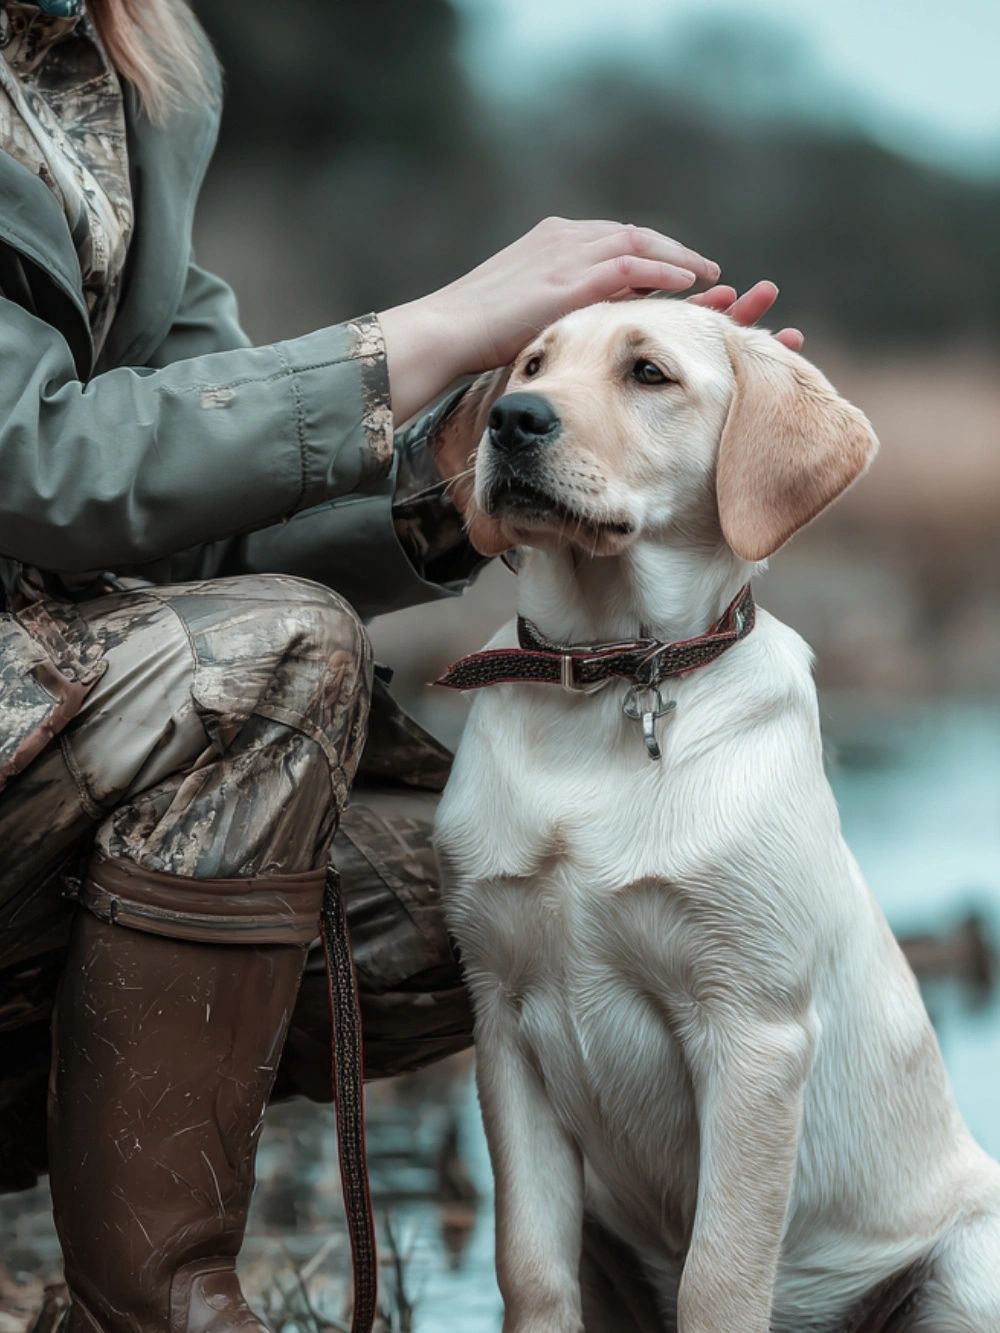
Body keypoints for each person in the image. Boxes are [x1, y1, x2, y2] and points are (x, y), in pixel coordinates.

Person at [0, 2, 804, 1329]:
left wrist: (469, 467)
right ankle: (162, 1310)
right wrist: (426, 330)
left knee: (482, 879)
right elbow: (36, 467)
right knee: (274, 659)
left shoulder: (136, 73)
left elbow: (193, 500)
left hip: (45, 738)